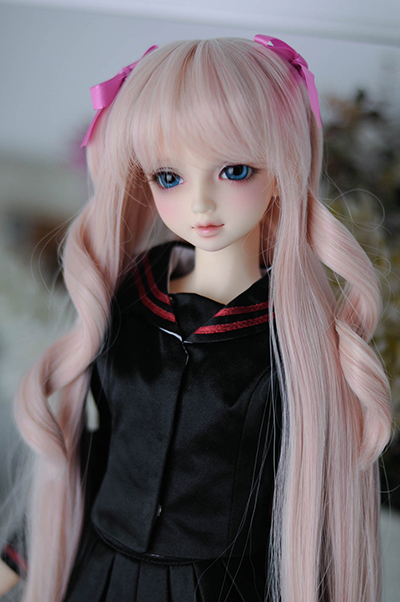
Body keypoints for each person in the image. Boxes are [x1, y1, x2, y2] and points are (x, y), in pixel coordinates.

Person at [0, 35, 392, 602]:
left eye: (235, 170)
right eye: (169, 177)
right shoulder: (128, 293)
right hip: (100, 574)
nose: (200, 204)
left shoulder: (293, 336)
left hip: (222, 586)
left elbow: (309, 496)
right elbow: (95, 450)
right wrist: (19, 552)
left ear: (281, 168)